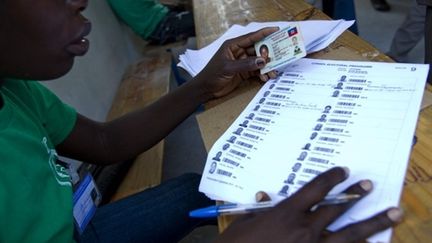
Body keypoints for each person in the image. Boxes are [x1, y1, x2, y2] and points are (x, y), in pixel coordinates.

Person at [1, 0, 401, 242]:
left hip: (72, 223)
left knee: (201, 189)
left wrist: (203, 86)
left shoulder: (14, 88)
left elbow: (105, 144)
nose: (81, 2)